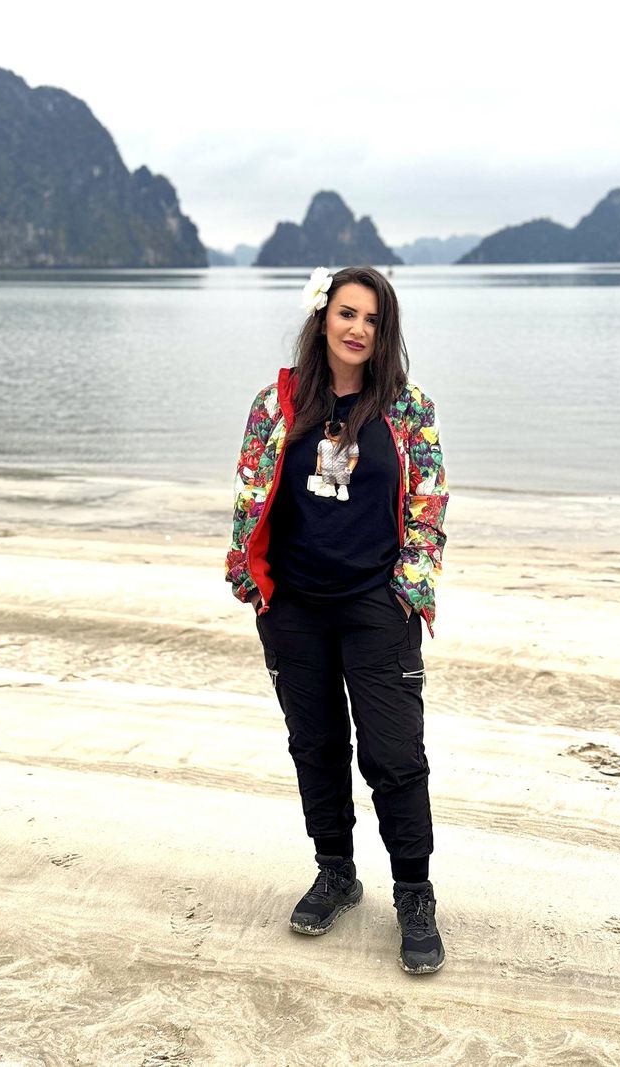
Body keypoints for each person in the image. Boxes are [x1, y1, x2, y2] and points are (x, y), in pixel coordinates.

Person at [225, 265, 448, 974]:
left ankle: (414, 893)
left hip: (375, 607)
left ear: (385, 332)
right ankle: (336, 873)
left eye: (373, 320)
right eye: (347, 313)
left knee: (394, 755)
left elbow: (429, 503)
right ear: (322, 316)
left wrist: (409, 587)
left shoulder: (407, 407)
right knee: (315, 746)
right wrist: (250, 577)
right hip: (294, 607)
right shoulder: (277, 402)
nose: (358, 329)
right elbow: (249, 488)